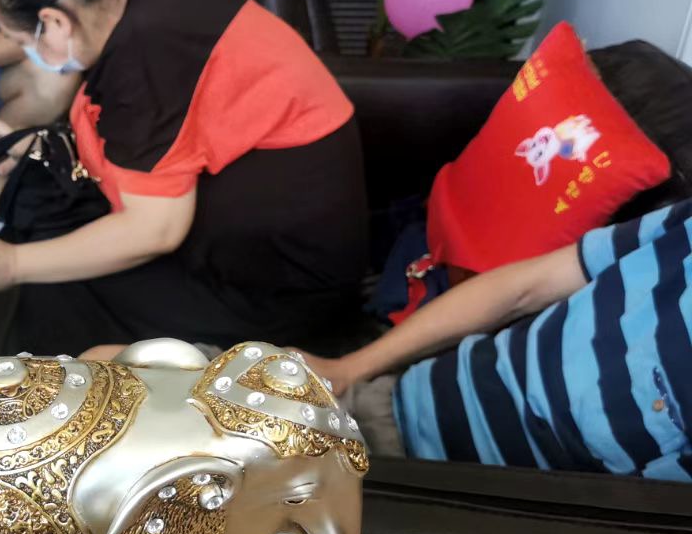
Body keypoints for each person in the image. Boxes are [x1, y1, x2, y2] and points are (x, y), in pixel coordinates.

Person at [0, 0, 368, 356]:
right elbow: (146, 135)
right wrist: (54, 148)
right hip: (247, 248)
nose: (27, 53)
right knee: (43, 221)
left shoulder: (147, 50)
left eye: (21, 41)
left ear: (54, 22)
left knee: (47, 283)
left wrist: (12, 265)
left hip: (274, 291)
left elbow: (155, 231)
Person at [88, 198, 692, 481]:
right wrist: (352, 367)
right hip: (391, 399)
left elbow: (629, 526)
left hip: (458, 493)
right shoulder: (682, 225)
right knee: (108, 373)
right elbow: (524, 287)